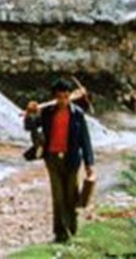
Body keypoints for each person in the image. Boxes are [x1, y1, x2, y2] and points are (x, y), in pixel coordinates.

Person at [25, 78, 95, 244]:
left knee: (71, 196)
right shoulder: (48, 113)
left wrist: (89, 164)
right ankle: (60, 232)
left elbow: (85, 141)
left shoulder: (77, 114)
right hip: (52, 159)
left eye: (65, 96)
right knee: (58, 196)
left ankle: (72, 229)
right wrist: (30, 113)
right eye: (59, 97)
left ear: (69, 96)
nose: (63, 100)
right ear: (55, 97)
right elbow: (30, 126)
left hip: (72, 160)